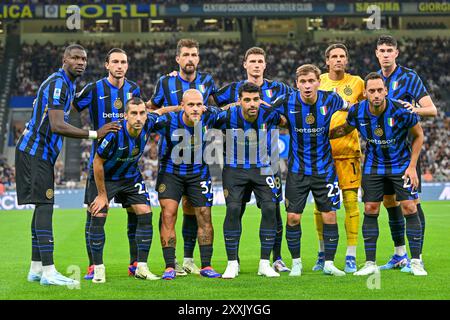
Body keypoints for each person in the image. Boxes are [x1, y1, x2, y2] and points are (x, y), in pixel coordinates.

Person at [16, 44, 120, 286]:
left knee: (40, 206)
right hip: (35, 152)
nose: (81, 62)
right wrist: (95, 134)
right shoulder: (59, 84)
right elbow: (57, 125)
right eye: (75, 58)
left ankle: (36, 268)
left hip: (38, 153)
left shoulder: (67, 84)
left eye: (83, 59)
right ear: (64, 60)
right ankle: (49, 271)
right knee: (45, 206)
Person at [329, 72, 427, 276]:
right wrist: (324, 134)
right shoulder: (357, 111)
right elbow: (345, 128)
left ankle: (416, 261)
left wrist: (412, 166)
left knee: (409, 207)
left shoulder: (401, 110)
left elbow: (419, 135)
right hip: (374, 165)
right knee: (371, 208)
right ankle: (370, 263)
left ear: (386, 91)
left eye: (379, 90)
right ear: (365, 93)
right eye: (371, 91)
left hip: (401, 165)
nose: (376, 94)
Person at [213, 47, 292, 273]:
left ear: (265, 65)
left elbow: (291, 111)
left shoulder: (279, 89)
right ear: (244, 64)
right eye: (252, 61)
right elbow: (211, 104)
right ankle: (233, 262)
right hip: (235, 163)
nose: (256, 65)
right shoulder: (231, 90)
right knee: (234, 210)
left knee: (273, 210)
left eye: (260, 61)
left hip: (267, 162)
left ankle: (274, 259)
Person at [147, 39, 217, 276]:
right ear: (178, 59)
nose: (190, 59)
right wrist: (177, 109)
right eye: (185, 54)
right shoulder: (165, 82)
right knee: (170, 212)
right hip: (171, 159)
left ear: (198, 58)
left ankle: (191, 260)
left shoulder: (208, 81)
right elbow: (150, 109)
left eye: (194, 54)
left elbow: (221, 108)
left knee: (196, 211)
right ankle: (170, 264)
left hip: (198, 161)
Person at [273, 64, 350, 277]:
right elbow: (264, 111)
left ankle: (329, 263)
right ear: (297, 84)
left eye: (311, 81)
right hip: (297, 171)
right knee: (293, 218)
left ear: (318, 81)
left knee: (330, 216)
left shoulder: (330, 99)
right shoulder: (287, 101)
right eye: (303, 82)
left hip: (325, 170)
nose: (307, 86)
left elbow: (352, 108)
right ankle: (296, 263)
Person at [73, 48, 142, 280]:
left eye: (123, 61)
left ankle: (134, 263)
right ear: (106, 65)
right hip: (101, 164)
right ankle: (93, 265)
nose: (119, 66)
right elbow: (70, 110)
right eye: (115, 62)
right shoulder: (94, 89)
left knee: (135, 213)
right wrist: (92, 133)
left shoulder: (134, 89)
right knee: (93, 215)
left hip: (127, 166)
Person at [87, 97, 173, 283]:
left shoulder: (148, 123)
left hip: (130, 177)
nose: (139, 118)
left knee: (145, 213)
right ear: (126, 115)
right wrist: (102, 195)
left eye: (142, 113)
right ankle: (98, 269)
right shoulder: (114, 133)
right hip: (106, 178)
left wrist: (181, 107)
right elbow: (97, 161)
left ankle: (141, 267)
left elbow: (161, 111)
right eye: (134, 113)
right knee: (98, 214)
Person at [375, 35, 437, 272]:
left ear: (397, 53)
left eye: (390, 50)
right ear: (376, 53)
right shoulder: (374, 80)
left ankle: (416, 256)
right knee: (390, 202)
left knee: (411, 203)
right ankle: (399, 254)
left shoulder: (409, 77)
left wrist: (415, 108)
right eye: (382, 50)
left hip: (405, 152)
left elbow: (432, 110)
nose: (386, 54)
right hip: (382, 153)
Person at [154, 89, 221, 280]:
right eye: (190, 105)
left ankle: (206, 265)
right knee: (169, 214)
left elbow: (231, 108)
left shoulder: (210, 116)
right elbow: (149, 117)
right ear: (182, 106)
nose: (195, 109)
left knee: (204, 215)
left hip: (198, 172)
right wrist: (165, 109)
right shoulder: (168, 121)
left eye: (199, 104)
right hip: (171, 173)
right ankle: (169, 266)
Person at [312, 43, 365, 273]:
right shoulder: (318, 81)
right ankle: (323, 254)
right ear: (326, 60)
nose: (338, 60)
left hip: (348, 153)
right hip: (322, 155)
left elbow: (366, 112)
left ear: (347, 59)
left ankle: (351, 255)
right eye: (334, 56)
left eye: (342, 56)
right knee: (320, 207)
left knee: (351, 203)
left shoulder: (358, 83)